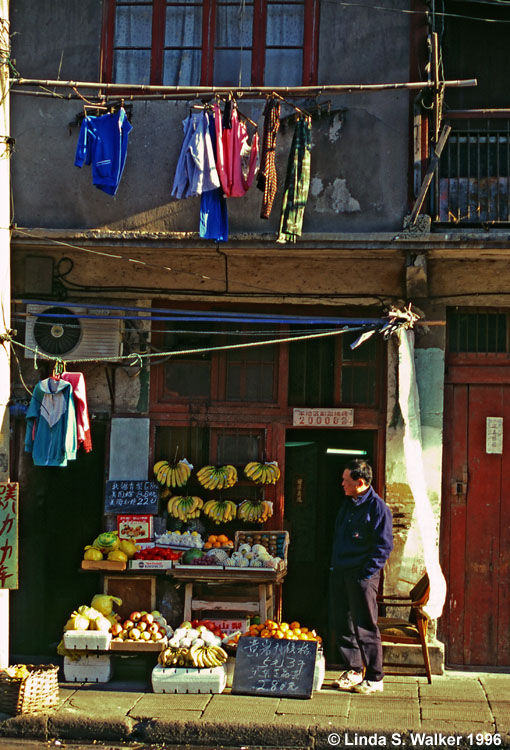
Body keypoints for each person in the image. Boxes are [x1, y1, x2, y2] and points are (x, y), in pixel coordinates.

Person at [330, 459, 393, 694]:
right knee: (343, 622)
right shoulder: (348, 504)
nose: (342, 484)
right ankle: (354, 670)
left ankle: (375, 677)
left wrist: (366, 573)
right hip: (341, 571)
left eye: (346, 480)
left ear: (360, 482)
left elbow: (384, 546)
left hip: (362, 576)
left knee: (365, 625)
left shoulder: (378, 508)